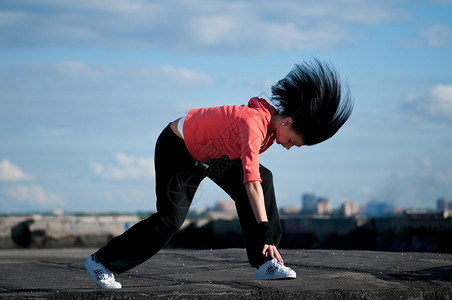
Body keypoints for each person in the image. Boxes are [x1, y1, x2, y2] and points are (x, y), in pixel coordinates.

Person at [84, 58, 353, 289]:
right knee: (170, 220)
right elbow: (251, 183)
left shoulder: (270, 125)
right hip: (178, 149)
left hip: (213, 158)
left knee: (265, 177)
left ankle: (266, 262)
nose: (289, 147)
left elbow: (251, 175)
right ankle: (101, 261)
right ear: (288, 121)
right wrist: (266, 233)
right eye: (293, 141)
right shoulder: (255, 126)